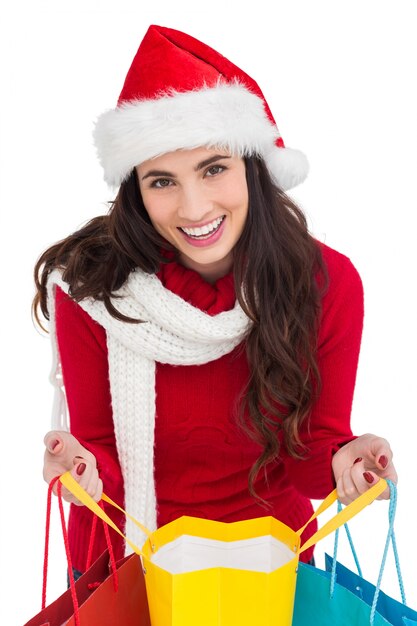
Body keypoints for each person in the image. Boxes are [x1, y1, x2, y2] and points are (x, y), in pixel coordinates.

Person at [34, 24, 397, 578]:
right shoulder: (93, 289)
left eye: (214, 168)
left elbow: (310, 448)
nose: (194, 207)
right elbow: (104, 451)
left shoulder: (324, 283)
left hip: (265, 565)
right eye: (162, 181)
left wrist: (344, 459)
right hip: (126, 563)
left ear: (253, 166)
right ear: (136, 189)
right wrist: (81, 468)